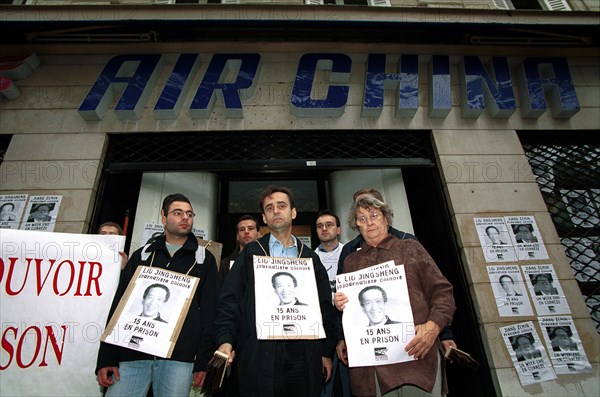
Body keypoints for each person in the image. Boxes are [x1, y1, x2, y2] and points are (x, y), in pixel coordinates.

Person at [214, 185, 336, 397]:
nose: (276, 211)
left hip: (304, 353)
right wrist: (225, 341)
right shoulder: (251, 253)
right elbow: (230, 300)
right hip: (260, 352)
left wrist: (325, 352)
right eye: (270, 208)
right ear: (264, 217)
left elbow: (324, 305)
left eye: (282, 206)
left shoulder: (310, 258)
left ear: (293, 212)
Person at [95, 193, 220, 397]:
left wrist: (203, 361)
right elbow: (119, 306)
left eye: (189, 214)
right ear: (163, 217)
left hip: (179, 359)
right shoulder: (142, 255)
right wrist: (107, 357)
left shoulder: (203, 259)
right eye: (178, 213)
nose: (185, 218)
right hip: (131, 354)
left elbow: (209, 311)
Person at [334, 193, 455, 397]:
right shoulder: (350, 261)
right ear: (356, 225)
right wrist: (342, 303)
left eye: (374, 215)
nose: (369, 222)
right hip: (371, 368)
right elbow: (350, 308)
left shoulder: (410, 248)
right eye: (362, 218)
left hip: (416, 358)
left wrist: (434, 326)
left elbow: (442, 292)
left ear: (386, 218)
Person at [314, 210, 350, 397]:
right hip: (322, 329)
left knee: (351, 386)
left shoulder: (351, 254)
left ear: (338, 229)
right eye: (320, 226)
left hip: (349, 326)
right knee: (323, 385)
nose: (324, 229)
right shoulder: (308, 258)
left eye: (329, 224)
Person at [220, 214, 260, 284]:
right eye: (242, 229)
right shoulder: (225, 265)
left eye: (250, 228)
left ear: (258, 234)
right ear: (237, 236)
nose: (246, 232)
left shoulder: (267, 261)